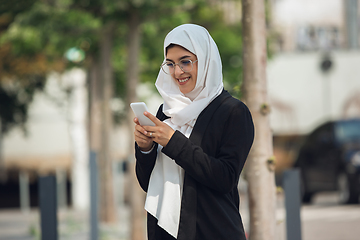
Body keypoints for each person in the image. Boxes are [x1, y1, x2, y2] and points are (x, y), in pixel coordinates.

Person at [133, 24, 254, 240]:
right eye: (170, 64)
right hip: (165, 233)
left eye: (186, 61)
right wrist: (145, 149)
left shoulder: (233, 112)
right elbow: (148, 183)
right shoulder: (166, 112)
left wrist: (173, 143)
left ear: (206, 60)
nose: (178, 72)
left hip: (214, 232)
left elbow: (225, 178)